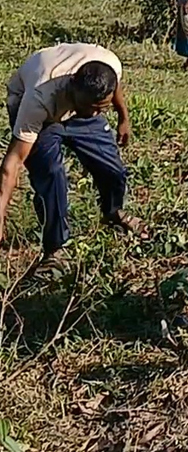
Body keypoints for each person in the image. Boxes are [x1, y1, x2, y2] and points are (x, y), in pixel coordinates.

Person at [3, 43, 140, 277]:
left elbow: (113, 85)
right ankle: (54, 250)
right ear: (73, 89)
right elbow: (12, 162)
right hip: (42, 114)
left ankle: (112, 212)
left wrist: (123, 117)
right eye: (94, 108)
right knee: (52, 177)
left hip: (78, 110)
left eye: (102, 108)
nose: (97, 113)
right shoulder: (38, 99)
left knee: (113, 170)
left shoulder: (108, 65)